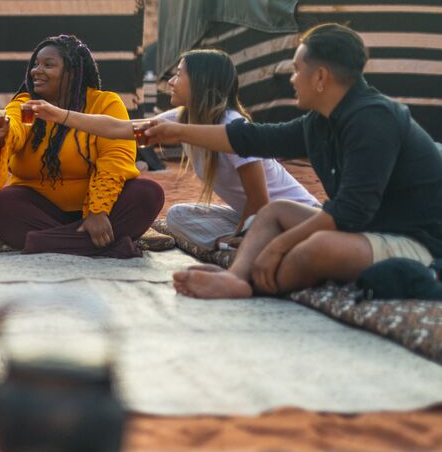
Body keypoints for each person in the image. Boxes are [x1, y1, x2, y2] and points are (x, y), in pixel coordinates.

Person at [145, 23, 442, 299]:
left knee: (316, 249)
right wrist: (177, 130)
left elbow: (350, 212)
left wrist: (278, 246)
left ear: (321, 77)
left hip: (412, 241)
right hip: (366, 228)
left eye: (297, 70)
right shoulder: (320, 122)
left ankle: (252, 283)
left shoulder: (373, 120)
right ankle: (237, 278)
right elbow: (252, 138)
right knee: (274, 211)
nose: (292, 79)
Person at [29, 48, 318, 251]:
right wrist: (61, 115)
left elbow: (260, 200)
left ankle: (259, 245)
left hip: (295, 217)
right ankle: (244, 245)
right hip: (253, 218)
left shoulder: (233, 127)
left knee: (222, 231)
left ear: (201, 82)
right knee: (179, 216)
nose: (170, 81)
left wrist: (245, 233)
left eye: (179, 75)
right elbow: (119, 128)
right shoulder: (184, 119)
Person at [0, 35, 164, 257]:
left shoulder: (105, 103)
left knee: (148, 194)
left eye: (48, 65)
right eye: (36, 64)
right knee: (0, 205)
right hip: (40, 209)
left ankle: (43, 242)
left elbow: (115, 159)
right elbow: (16, 128)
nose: (36, 71)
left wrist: (97, 211)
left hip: (103, 213)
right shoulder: (25, 103)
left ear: (72, 72)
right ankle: (105, 245)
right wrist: (3, 133)